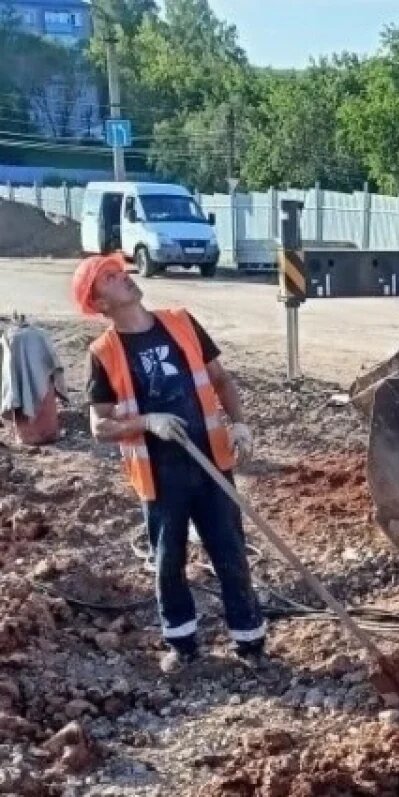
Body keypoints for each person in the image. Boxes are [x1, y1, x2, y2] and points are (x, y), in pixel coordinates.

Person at [72, 253, 266, 674]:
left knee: (229, 549)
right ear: (99, 303)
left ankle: (250, 642)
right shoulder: (104, 352)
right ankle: (182, 644)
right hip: (161, 475)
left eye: (120, 270)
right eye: (109, 277)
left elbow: (221, 379)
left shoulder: (181, 321)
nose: (123, 277)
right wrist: (147, 421)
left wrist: (241, 425)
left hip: (211, 460)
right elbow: (99, 425)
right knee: (168, 559)